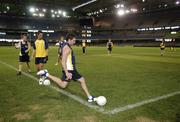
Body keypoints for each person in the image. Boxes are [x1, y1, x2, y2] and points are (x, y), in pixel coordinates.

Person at [37, 34, 95, 102]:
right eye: (73, 40)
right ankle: (89, 97)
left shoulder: (65, 45)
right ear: (69, 40)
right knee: (82, 80)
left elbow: (62, 59)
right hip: (70, 70)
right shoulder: (67, 48)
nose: (74, 42)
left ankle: (47, 74)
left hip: (68, 69)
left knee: (63, 85)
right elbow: (63, 61)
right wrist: (67, 72)